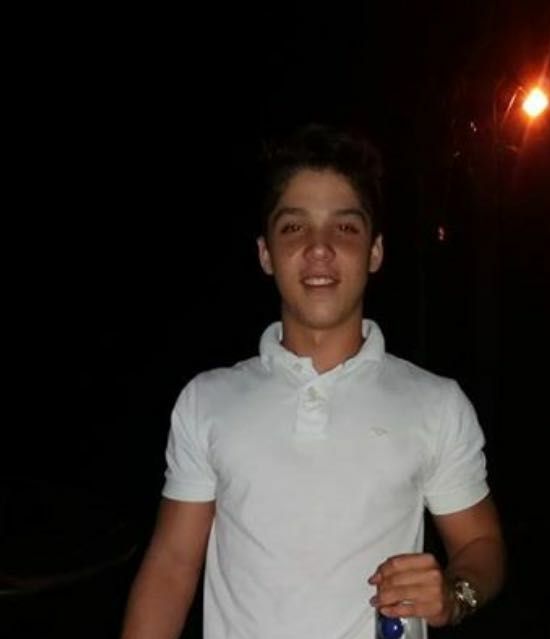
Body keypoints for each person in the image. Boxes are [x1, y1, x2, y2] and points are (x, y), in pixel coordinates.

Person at [120, 124, 506, 639]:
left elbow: (481, 546)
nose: (319, 249)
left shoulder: (436, 403)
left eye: (344, 228)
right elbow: (171, 566)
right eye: (294, 228)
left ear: (375, 251)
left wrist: (455, 595)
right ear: (265, 253)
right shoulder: (207, 400)